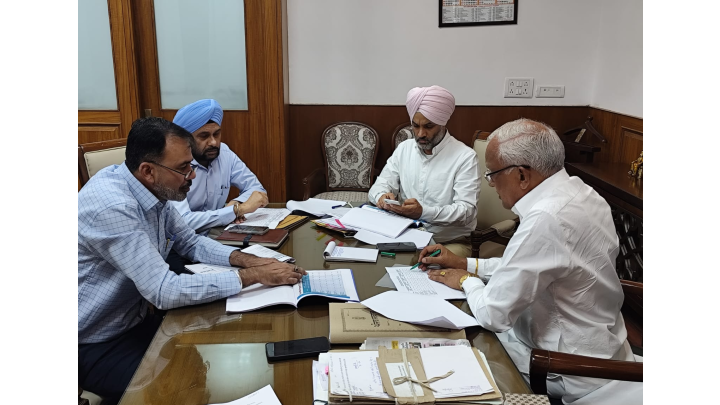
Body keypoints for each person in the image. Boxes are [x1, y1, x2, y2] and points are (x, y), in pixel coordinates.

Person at [78, 117, 306, 403]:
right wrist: (252, 276)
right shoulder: (113, 207)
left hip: (134, 321)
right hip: (94, 342)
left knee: (212, 352)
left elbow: (190, 242)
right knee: (183, 386)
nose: (192, 175)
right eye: (184, 168)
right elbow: (163, 290)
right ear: (148, 171)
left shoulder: (150, 189)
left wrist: (249, 261)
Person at [417, 118, 638, 404]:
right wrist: (466, 264)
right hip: (604, 347)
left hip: (565, 368)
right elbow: (532, 267)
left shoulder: (546, 218)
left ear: (522, 175)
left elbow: (494, 315)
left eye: (491, 174)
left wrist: (466, 281)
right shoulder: (583, 192)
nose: (490, 184)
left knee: (446, 359)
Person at [368, 85, 479, 256]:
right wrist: (381, 197)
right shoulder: (404, 149)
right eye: (415, 126)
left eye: (428, 126)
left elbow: (466, 211)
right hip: (405, 236)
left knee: (424, 267)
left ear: (442, 123)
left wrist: (423, 213)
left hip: (448, 242)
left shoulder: (465, 157)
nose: (420, 134)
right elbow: (379, 186)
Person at [171, 99, 269, 235]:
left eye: (216, 134)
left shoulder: (224, 153)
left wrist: (237, 202)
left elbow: (257, 190)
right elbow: (182, 221)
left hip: (218, 234)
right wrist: (236, 211)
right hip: (182, 240)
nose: (213, 142)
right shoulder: (173, 165)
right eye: (204, 136)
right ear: (185, 139)